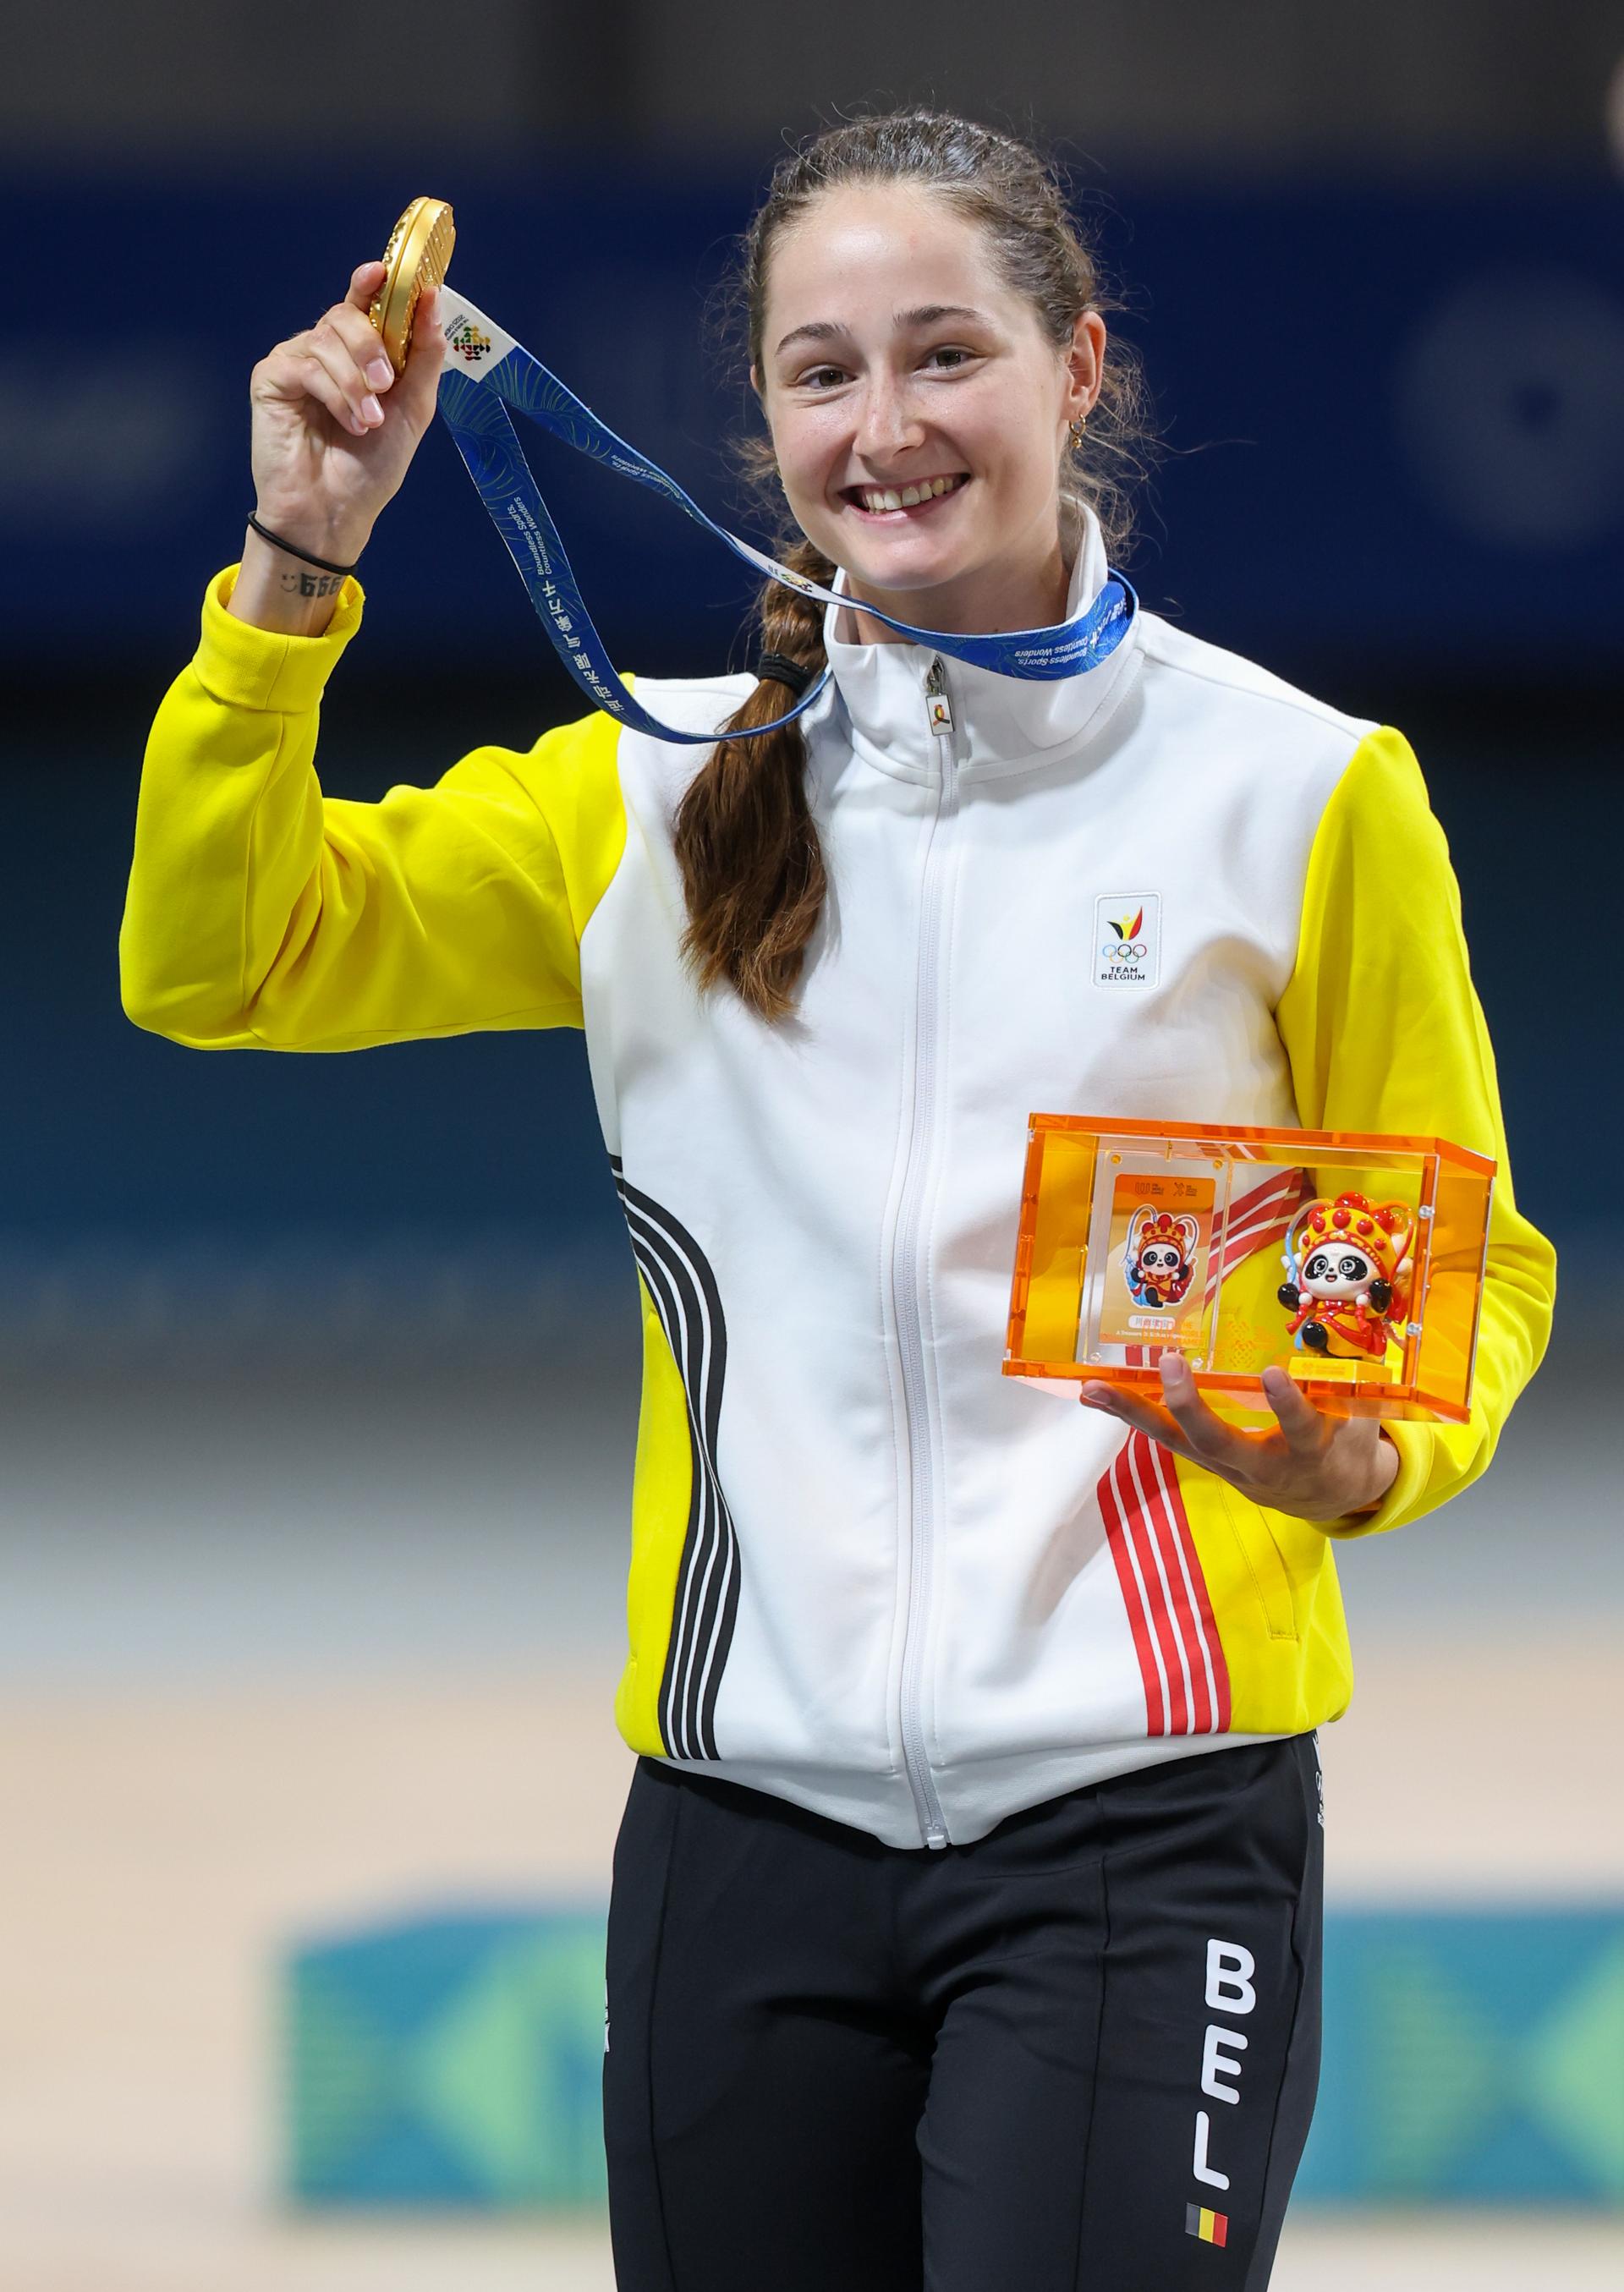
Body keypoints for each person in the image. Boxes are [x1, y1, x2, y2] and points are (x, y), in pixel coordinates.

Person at [121, 110, 1554, 2291]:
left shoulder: (1303, 791)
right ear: (767, 416)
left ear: (1079, 371)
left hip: (1141, 1831)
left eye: (942, 355)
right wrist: (290, 571)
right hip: (739, 1836)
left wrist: (1366, 1457)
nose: (882, 428)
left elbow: (1467, 1254)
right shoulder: (653, 789)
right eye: (820, 372)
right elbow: (222, 959)